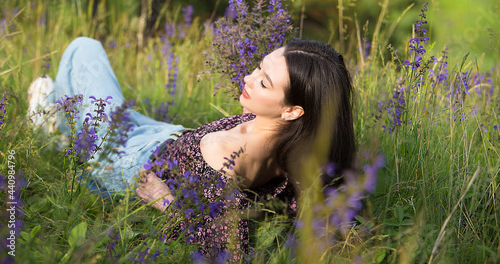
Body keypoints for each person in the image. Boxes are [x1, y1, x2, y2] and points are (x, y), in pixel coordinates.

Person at [28, 36, 356, 260]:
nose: (247, 76)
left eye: (264, 82)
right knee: (83, 93)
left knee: (82, 49)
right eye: (258, 67)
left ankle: (54, 132)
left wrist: (167, 203)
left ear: (292, 111)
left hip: (127, 158)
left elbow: (227, 251)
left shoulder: (224, 157)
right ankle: (59, 120)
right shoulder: (297, 149)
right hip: (164, 135)